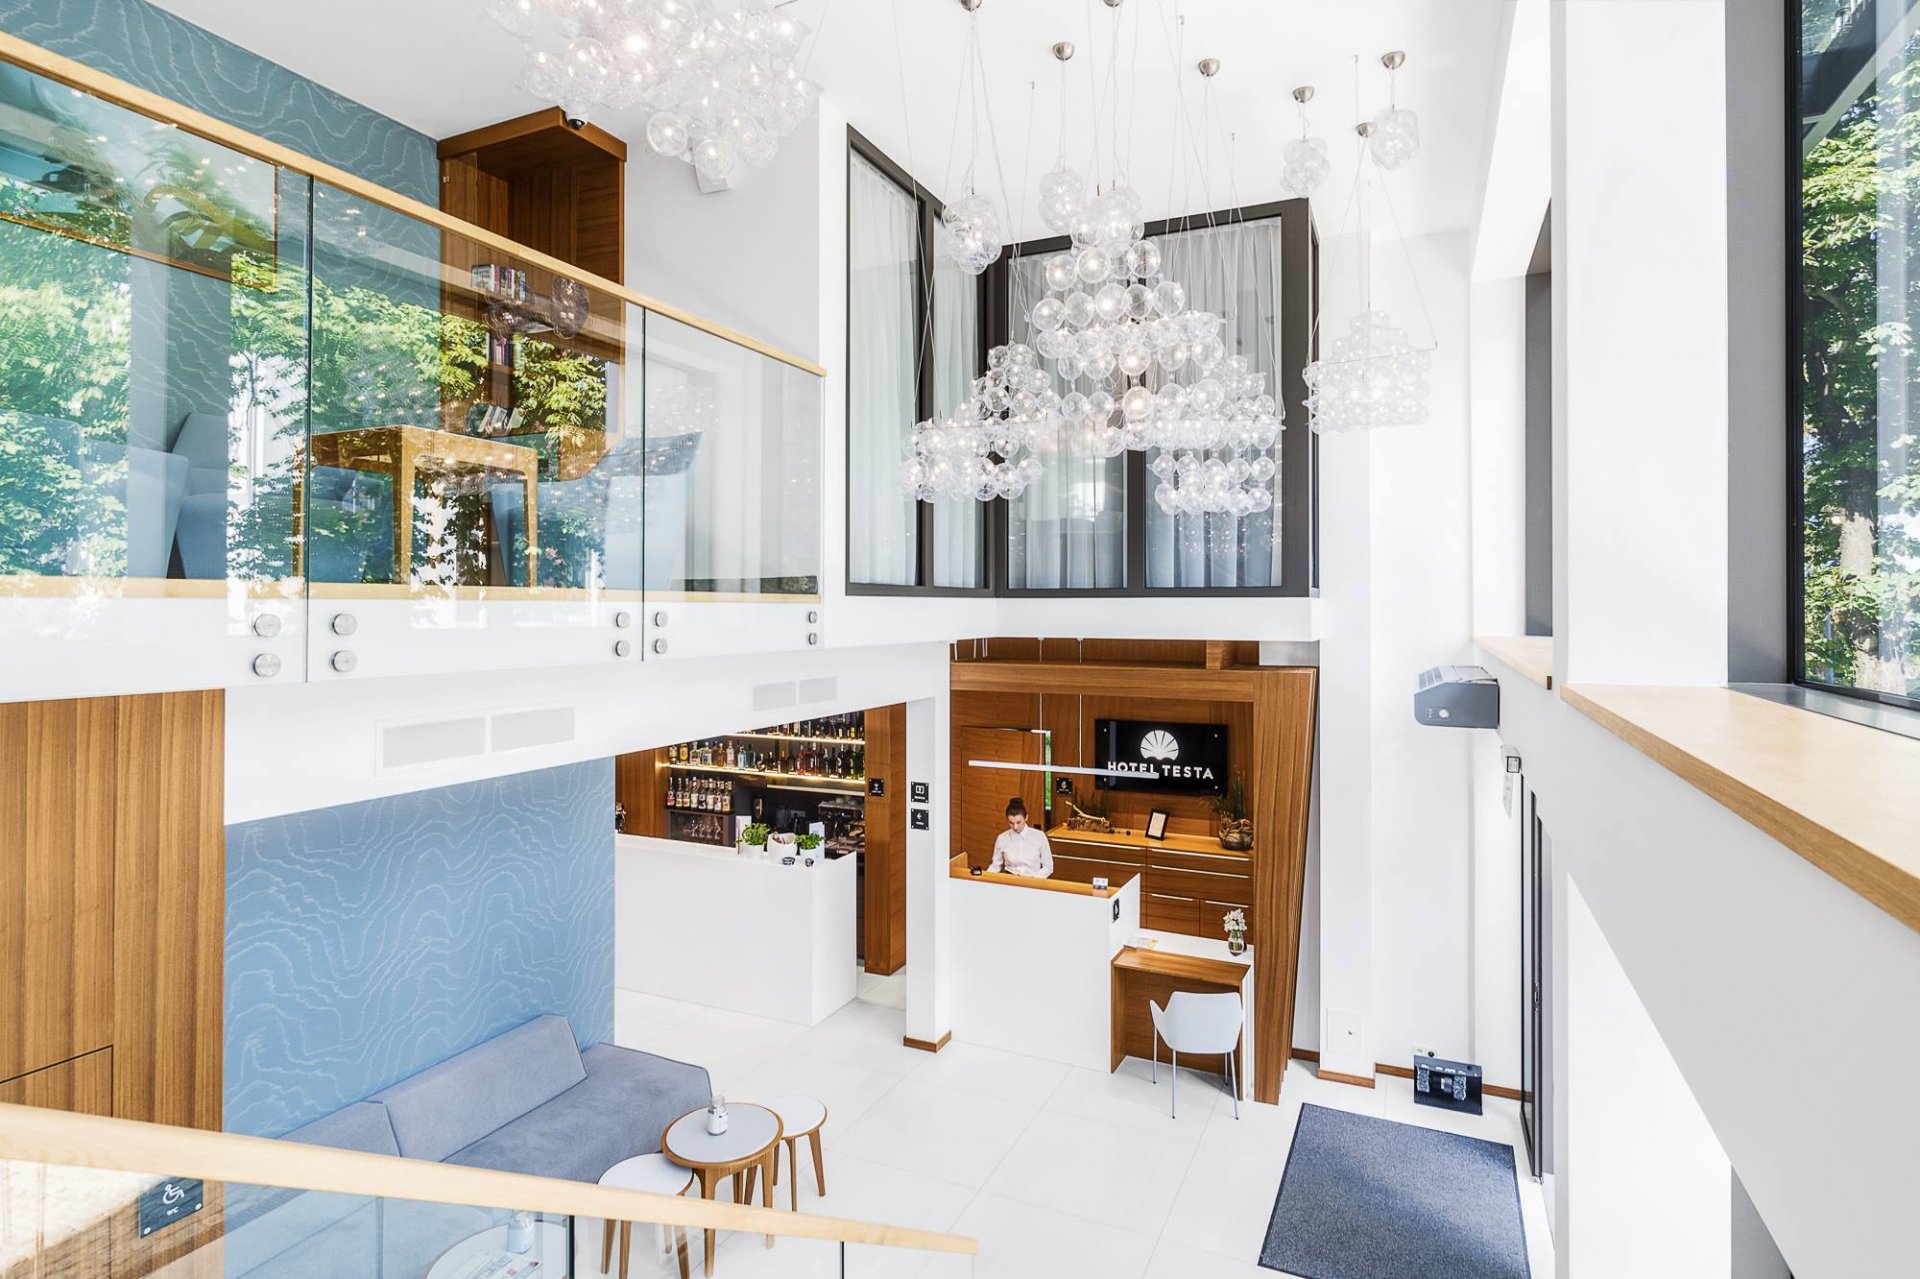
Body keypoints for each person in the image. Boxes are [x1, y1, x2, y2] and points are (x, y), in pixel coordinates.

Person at [988, 797, 1053, 878]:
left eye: (1018, 822)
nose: (1015, 827)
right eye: (1011, 823)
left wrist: (1034, 879)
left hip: (1034, 879)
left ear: (1026, 818)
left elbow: (1048, 867)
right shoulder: (1002, 838)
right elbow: (995, 866)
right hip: (1010, 879)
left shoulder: (1039, 836)